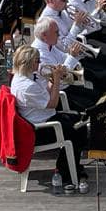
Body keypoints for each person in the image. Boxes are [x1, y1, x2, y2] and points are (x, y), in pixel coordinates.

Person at [10, 45, 88, 193]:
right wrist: (57, 80)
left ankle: (68, 165)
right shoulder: (26, 86)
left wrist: (52, 78)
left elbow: (46, 93)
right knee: (78, 129)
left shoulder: (25, 77)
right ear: (28, 63)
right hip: (39, 129)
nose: (40, 64)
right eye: (37, 61)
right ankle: (67, 171)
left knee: (80, 119)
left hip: (42, 118)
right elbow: (53, 103)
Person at [39, 0, 106, 88]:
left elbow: (80, 29)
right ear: (51, 0)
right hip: (67, 59)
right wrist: (77, 25)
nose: (67, 1)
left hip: (78, 50)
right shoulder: (47, 21)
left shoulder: (62, 12)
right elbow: (64, 46)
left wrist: (85, 19)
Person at [30, 15, 100, 112]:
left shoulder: (48, 44)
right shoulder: (39, 55)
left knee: (97, 95)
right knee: (92, 106)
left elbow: (64, 57)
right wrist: (72, 56)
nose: (59, 35)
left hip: (66, 86)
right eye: (56, 32)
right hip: (58, 94)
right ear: (44, 35)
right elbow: (61, 75)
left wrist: (77, 53)